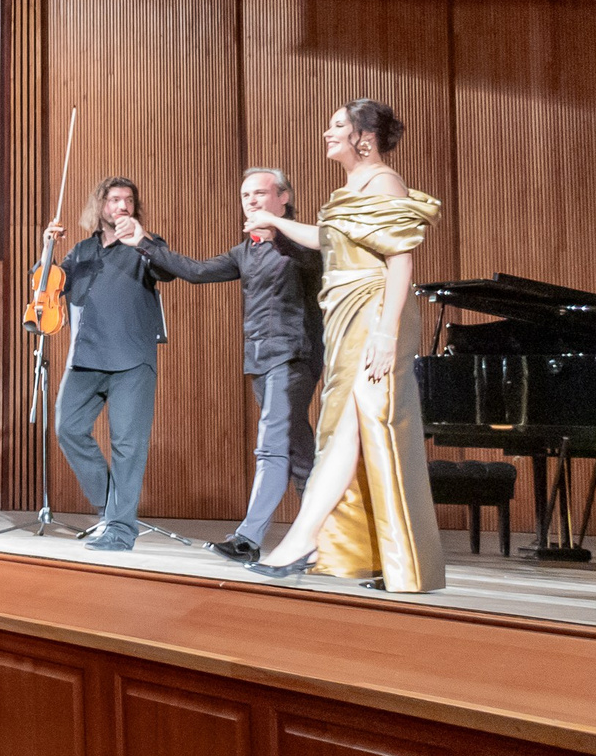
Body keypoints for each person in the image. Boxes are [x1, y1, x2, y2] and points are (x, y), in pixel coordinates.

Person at [246, 100, 445, 592]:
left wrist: (386, 332)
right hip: (343, 316)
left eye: (337, 125)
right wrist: (275, 224)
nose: (326, 132)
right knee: (354, 433)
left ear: (364, 136)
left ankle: (302, 538)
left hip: (375, 312)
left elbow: (401, 261)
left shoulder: (385, 182)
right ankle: (383, 557)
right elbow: (327, 241)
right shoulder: (349, 189)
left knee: (348, 432)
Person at [138, 169, 326, 562]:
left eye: (260, 193)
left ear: (284, 197)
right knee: (297, 447)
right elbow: (195, 271)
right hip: (258, 359)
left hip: (293, 355)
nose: (252, 201)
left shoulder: (303, 247)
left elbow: (322, 246)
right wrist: (144, 243)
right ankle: (325, 536)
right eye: (246, 196)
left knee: (271, 447)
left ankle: (248, 539)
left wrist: (277, 226)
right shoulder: (245, 252)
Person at [40, 177, 166, 552]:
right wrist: (47, 249)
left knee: (128, 445)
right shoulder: (81, 252)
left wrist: (142, 241)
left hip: (132, 361)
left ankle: (121, 530)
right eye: (115, 200)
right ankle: (111, 509)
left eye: (129, 200)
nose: (122, 207)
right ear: (101, 207)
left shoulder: (147, 246)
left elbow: (168, 270)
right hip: (87, 358)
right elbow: (46, 288)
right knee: (68, 427)